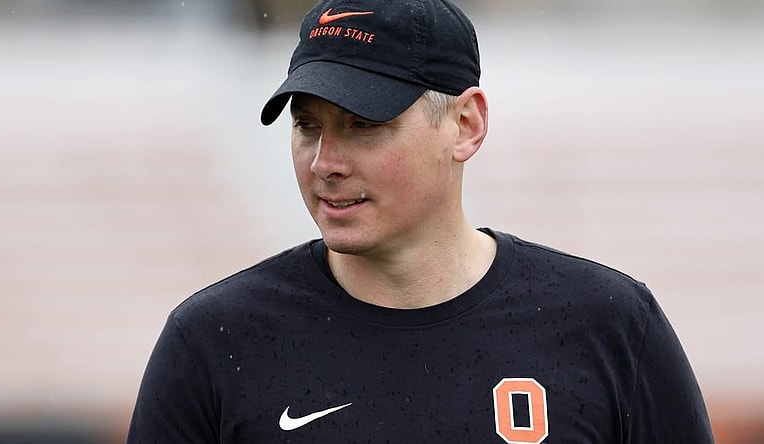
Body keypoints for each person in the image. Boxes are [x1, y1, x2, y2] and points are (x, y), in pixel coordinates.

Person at [126, 0, 715, 442]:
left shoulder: (608, 323)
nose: (325, 162)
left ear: (465, 125)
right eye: (308, 126)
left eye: (363, 124)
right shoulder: (212, 342)